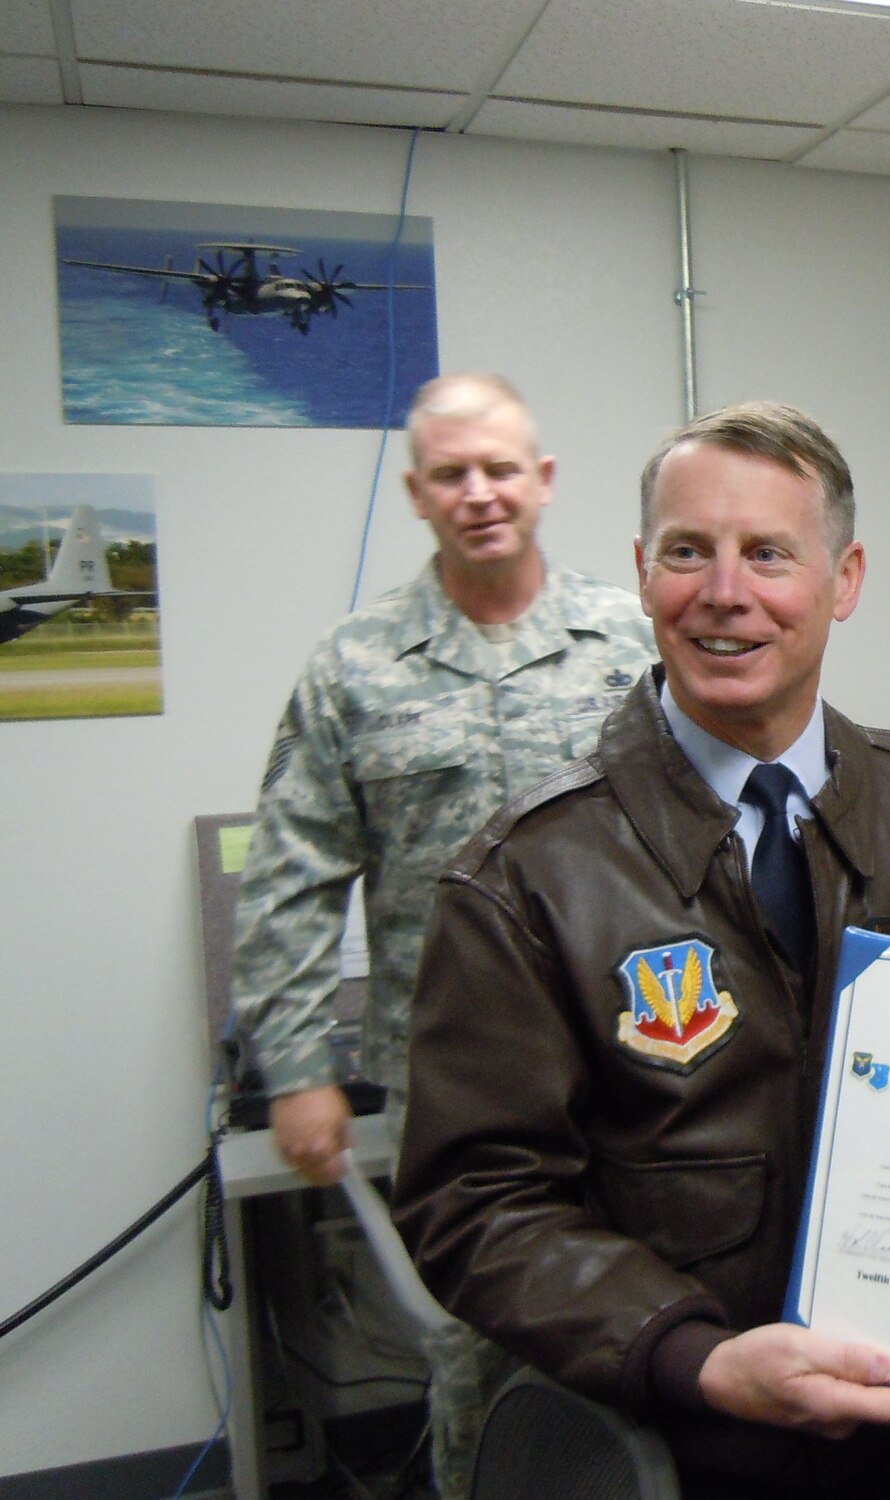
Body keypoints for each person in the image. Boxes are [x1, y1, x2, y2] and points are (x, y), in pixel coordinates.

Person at [392, 401, 890, 1499]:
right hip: (698, 1436)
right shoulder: (526, 876)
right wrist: (691, 1357)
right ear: (640, 571)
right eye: (686, 552)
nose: (723, 593)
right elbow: (476, 1200)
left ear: (842, 581)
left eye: (767, 554)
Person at [229, 371, 660, 1498]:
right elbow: (290, 877)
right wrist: (295, 1068)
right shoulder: (352, 670)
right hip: (453, 1087)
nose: (480, 493)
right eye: (453, 475)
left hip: (639, 1063)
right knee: (476, 1349)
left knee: (649, 1331)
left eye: (501, 469)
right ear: (417, 492)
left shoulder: (630, 645)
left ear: (544, 482)